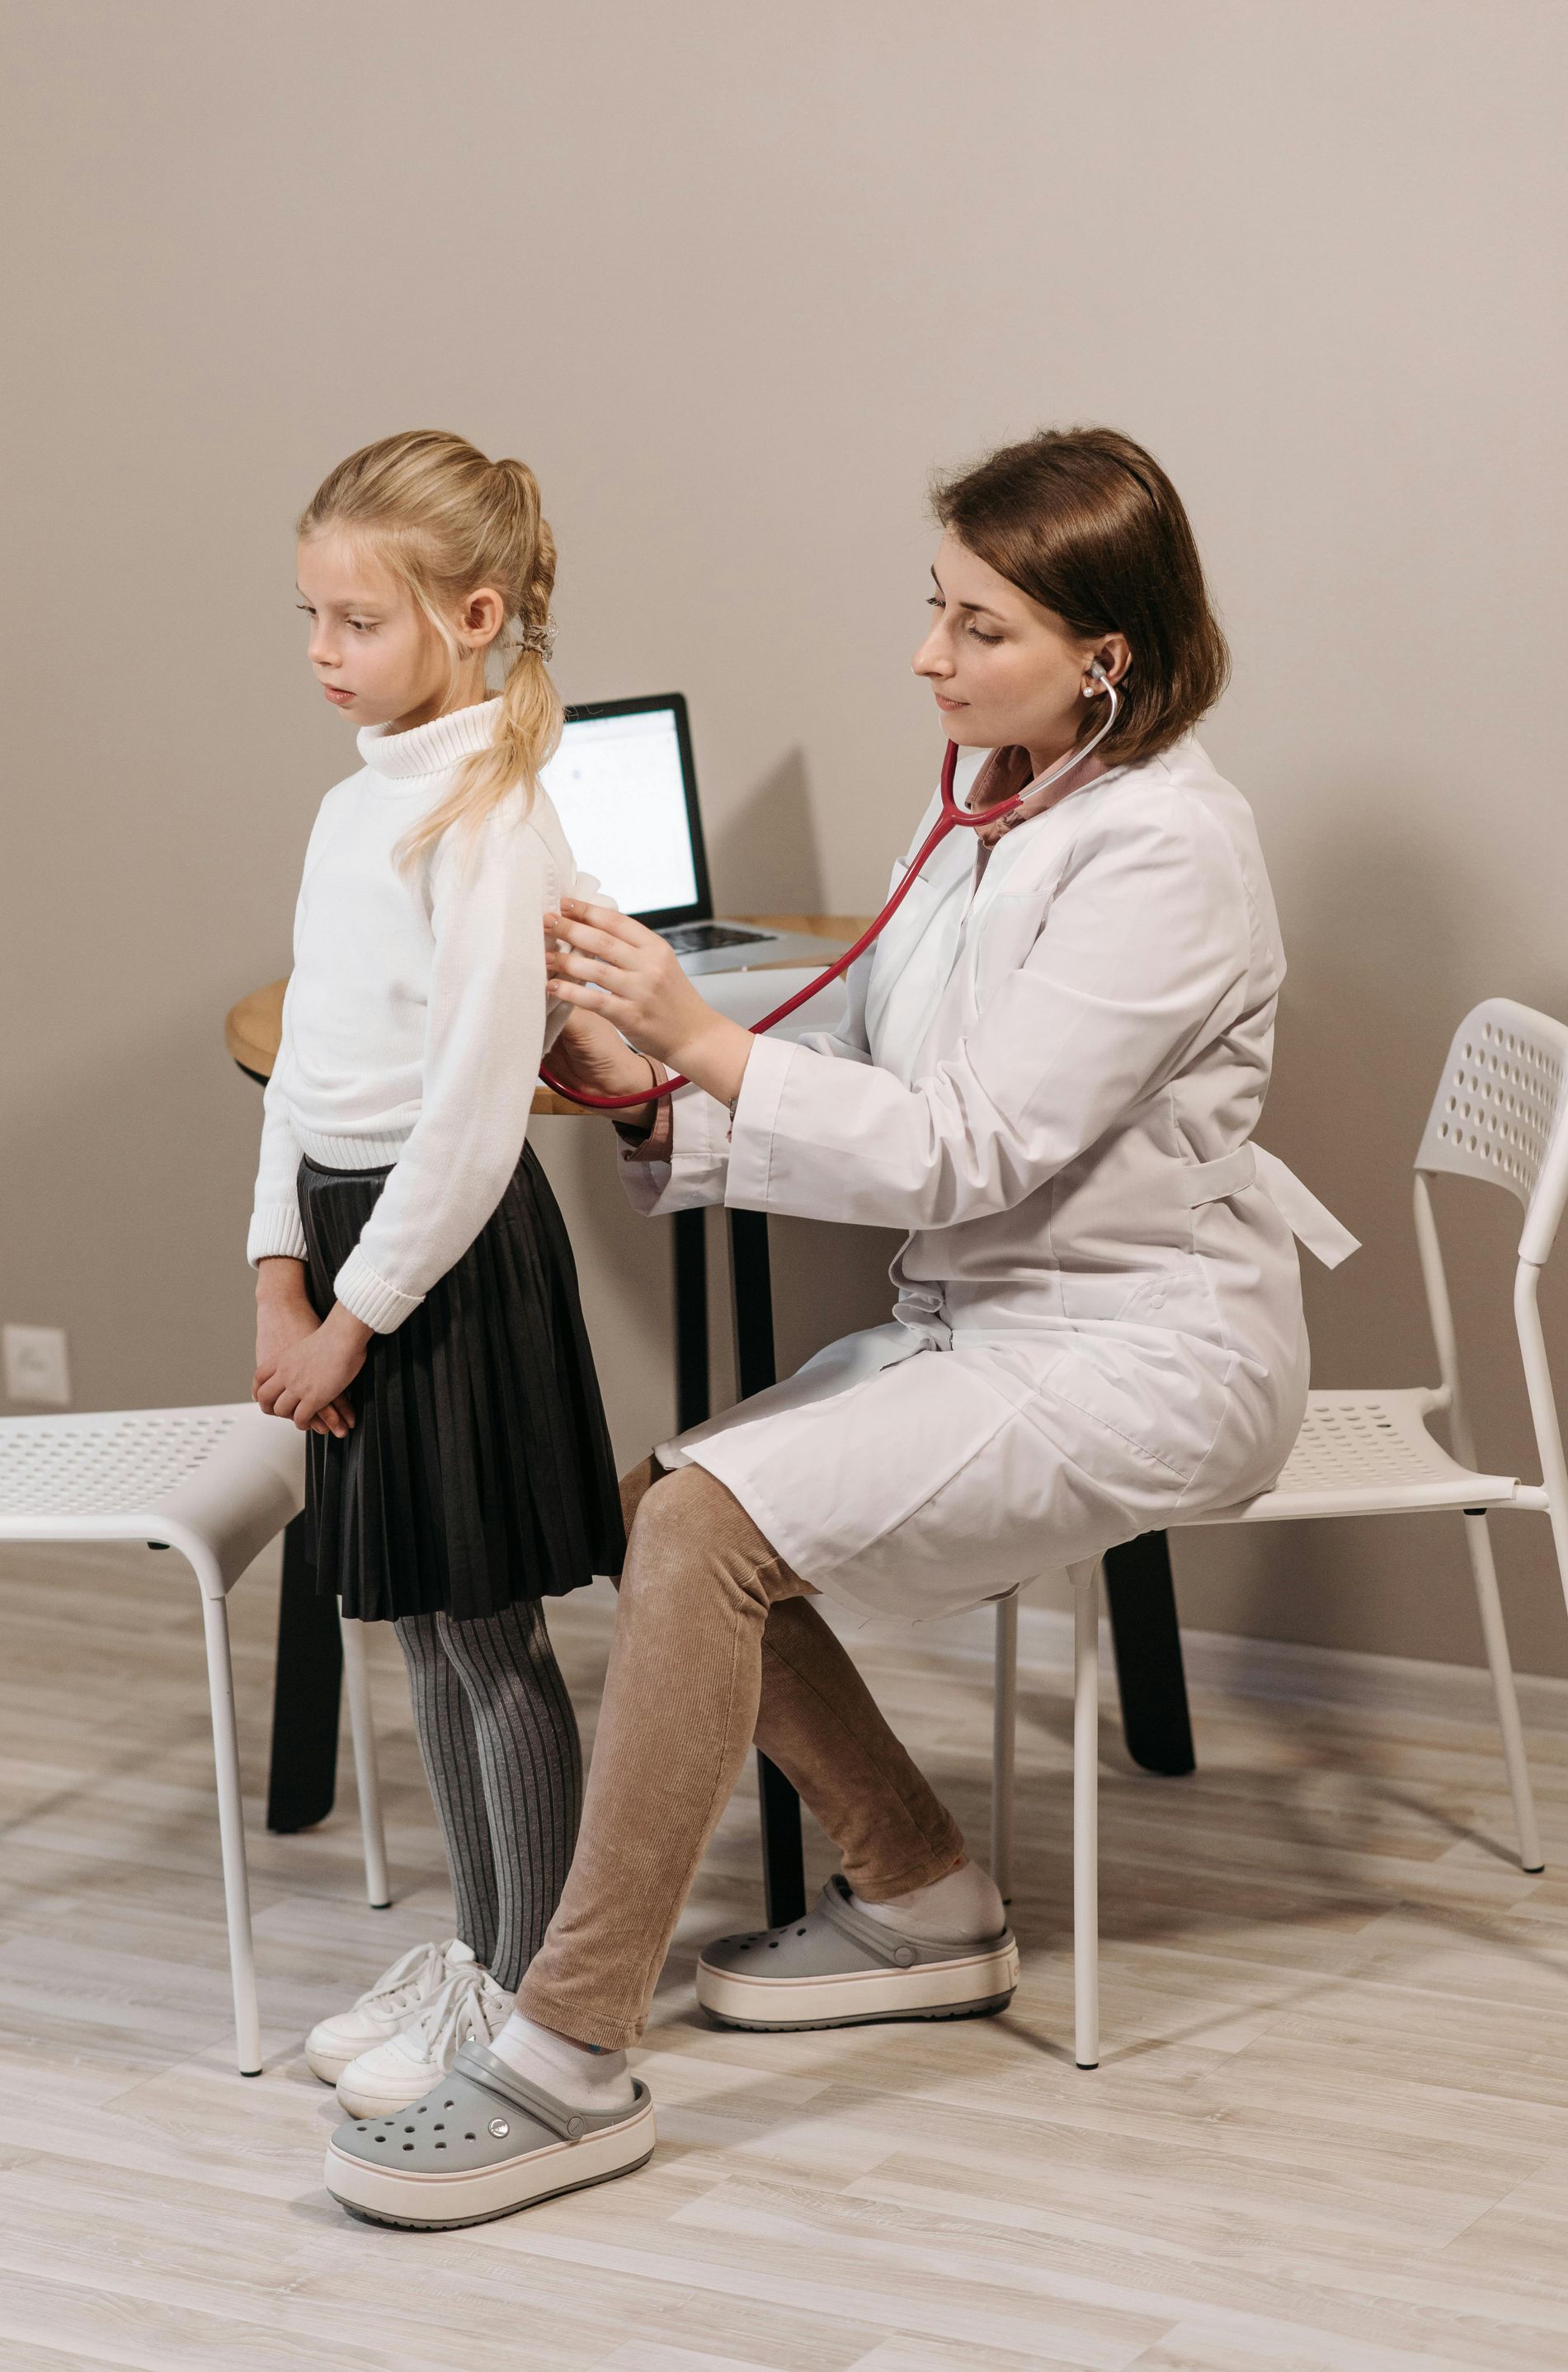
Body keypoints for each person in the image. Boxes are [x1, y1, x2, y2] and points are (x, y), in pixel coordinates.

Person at [323, 425, 1330, 2231]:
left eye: (978, 626)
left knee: (705, 1523)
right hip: (996, 1315)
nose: (930, 659)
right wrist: (645, 1089)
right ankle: (927, 1896)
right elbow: (863, 1033)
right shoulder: (982, 792)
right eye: (930, 610)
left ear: (1106, 653)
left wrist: (700, 1043)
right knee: (670, 1510)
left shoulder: (1171, 848)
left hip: (1143, 1346)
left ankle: (566, 2059)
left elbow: (967, 1141)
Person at [249, 431, 624, 2124]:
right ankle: (474, 1956)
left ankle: (526, 1994)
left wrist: (350, 1316)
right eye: (311, 616)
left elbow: (474, 1124)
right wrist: (277, 1270)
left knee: (491, 1645)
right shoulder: (354, 803)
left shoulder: (492, 820)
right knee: (417, 1628)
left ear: (473, 617)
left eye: (359, 621)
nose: (325, 651)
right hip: (348, 1261)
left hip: (439, 1269)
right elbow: (312, 1071)